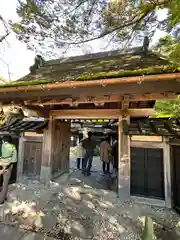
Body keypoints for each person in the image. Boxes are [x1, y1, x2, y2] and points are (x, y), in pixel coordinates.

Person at [0, 136, 17, 204]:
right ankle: (1, 199)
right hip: (7, 166)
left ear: (4, 140)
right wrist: (7, 167)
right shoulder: (13, 147)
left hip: (0, 165)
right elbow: (14, 160)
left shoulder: (1, 145)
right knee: (5, 183)